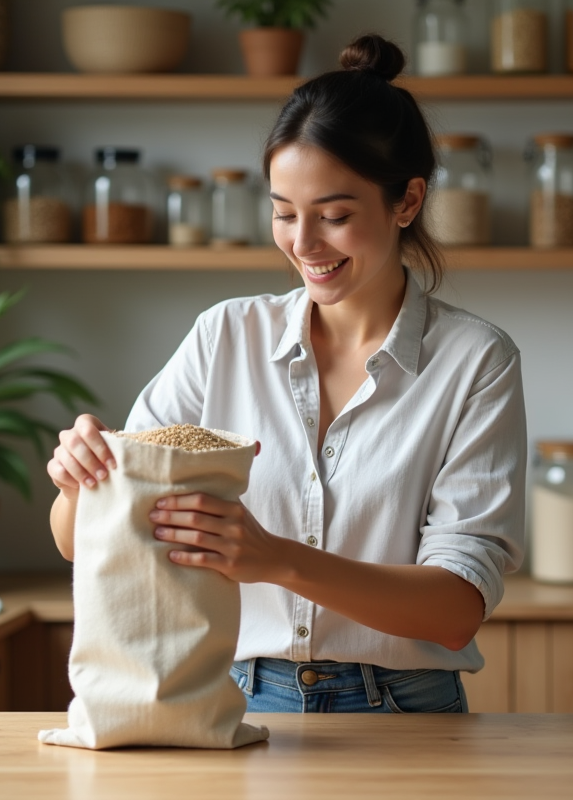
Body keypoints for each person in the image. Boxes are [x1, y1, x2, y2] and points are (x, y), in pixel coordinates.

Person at [47, 34, 526, 714]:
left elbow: (454, 610)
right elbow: (81, 537)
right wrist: (80, 481)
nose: (303, 245)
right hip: (234, 704)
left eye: (334, 216)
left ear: (407, 202)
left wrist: (277, 560)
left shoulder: (475, 361)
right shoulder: (225, 337)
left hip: (405, 713)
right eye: (283, 213)